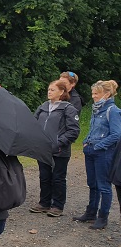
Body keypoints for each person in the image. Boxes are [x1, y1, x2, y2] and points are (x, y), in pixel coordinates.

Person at [73, 80, 121, 230]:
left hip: (104, 153)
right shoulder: (96, 109)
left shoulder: (112, 110)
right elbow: (93, 129)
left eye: (96, 93)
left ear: (106, 94)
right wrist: (86, 141)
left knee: (103, 186)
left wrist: (99, 145)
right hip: (91, 151)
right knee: (92, 184)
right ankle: (91, 212)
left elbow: (116, 134)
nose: (93, 96)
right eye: (92, 93)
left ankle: (103, 217)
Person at [29, 80, 81, 217]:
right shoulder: (43, 106)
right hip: (43, 149)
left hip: (59, 151)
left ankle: (57, 205)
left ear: (62, 92)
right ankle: (44, 203)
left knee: (58, 178)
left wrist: (58, 143)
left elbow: (73, 131)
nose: (49, 92)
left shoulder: (68, 108)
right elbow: (33, 124)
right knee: (44, 176)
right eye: (49, 89)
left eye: (52, 90)